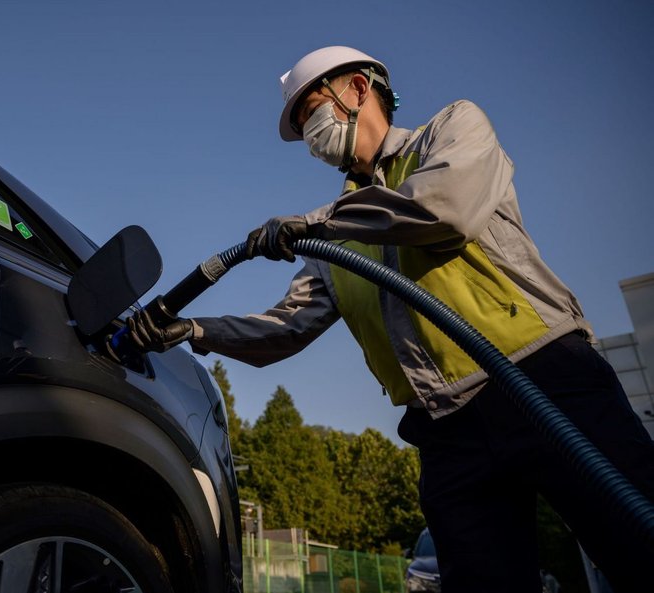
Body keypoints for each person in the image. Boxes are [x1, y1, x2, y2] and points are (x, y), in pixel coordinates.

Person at [126, 46, 654, 591]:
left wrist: (316, 222)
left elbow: (442, 208)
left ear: (357, 88)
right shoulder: (329, 235)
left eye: (312, 110)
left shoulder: (450, 131)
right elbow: (287, 327)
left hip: (543, 380)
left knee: (637, 544)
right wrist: (195, 331)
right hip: (447, 430)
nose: (311, 132)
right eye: (302, 123)